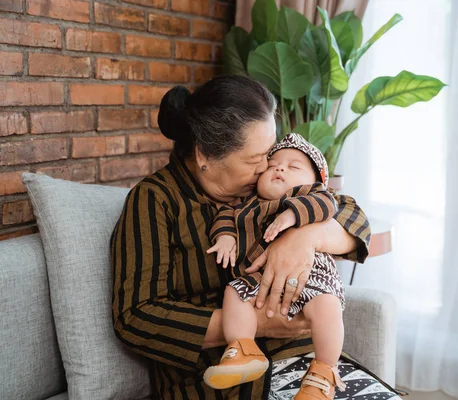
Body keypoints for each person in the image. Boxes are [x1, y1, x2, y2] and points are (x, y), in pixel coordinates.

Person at [110, 75, 371, 399]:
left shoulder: (265, 189)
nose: (269, 168)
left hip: (305, 366)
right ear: (205, 154)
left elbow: (351, 215)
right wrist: (257, 323)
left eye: (270, 154)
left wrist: (307, 238)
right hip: (217, 379)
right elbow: (135, 318)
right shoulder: (155, 200)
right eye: (255, 159)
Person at [203, 133, 347, 399]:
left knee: (327, 307)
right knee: (233, 293)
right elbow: (225, 216)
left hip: (310, 275)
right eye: (272, 165)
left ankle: (323, 371)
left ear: (315, 181)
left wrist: (293, 214)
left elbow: (327, 203)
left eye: (294, 167)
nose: (279, 168)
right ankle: (244, 350)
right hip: (259, 278)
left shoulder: (311, 195)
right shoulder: (244, 204)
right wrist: (224, 236)